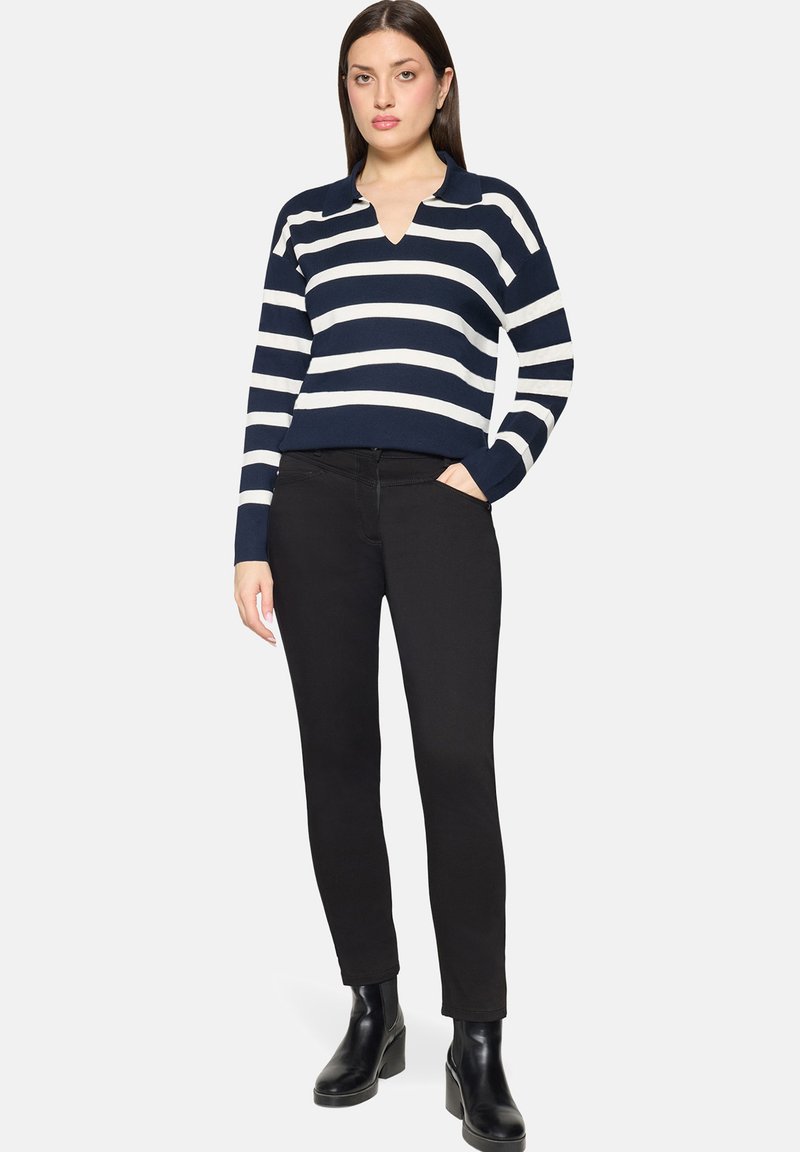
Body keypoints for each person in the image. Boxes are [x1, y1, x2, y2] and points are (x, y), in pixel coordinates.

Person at [233, 3, 573, 1148]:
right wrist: (248, 535)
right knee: (336, 758)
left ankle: (476, 1039)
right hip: (312, 501)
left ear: (442, 84)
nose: (382, 96)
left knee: (453, 760)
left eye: (403, 73)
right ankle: (371, 1004)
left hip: (439, 503)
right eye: (360, 77)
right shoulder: (305, 219)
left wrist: (490, 469)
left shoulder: (490, 211)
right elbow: (272, 380)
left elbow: (551, 356)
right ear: (344, 92)